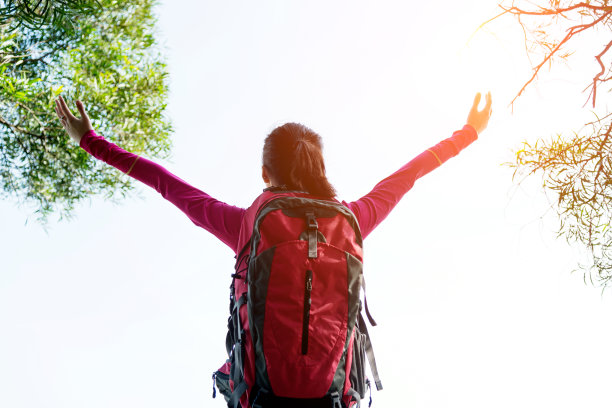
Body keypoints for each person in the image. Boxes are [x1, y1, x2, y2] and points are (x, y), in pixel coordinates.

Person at [54, 92, 492, 406]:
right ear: (321, 169)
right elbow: (408, 174)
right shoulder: (354, 219)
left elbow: (166, 184)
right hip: (332, 397)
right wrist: (468, 132)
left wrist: (91, 141)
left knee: (225, 378)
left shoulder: (247, 223)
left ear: (266, 173)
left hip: (262, 397)